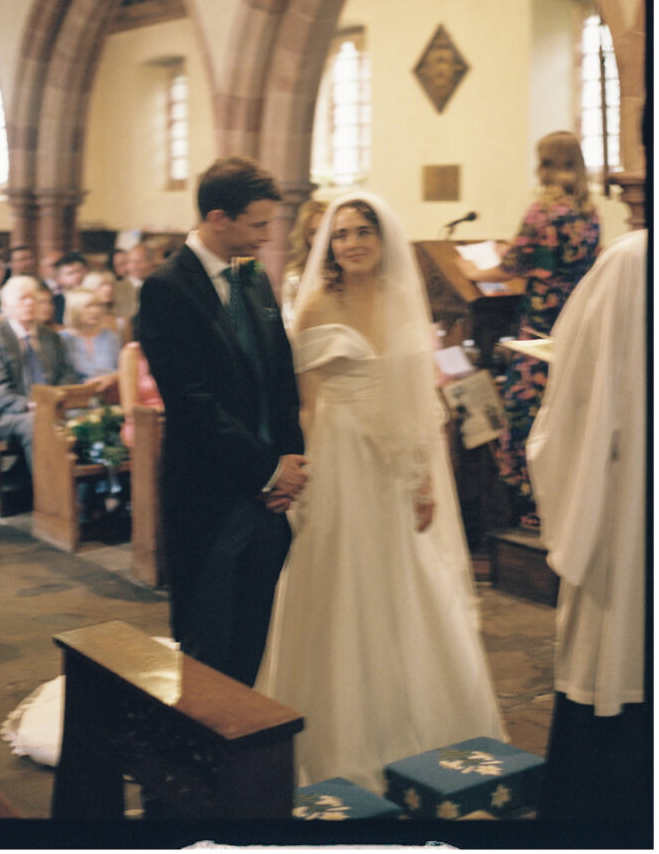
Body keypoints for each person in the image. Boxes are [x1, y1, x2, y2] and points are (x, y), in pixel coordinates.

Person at [255, 192, 505, 794]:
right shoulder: (318, 301)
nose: (353, 242)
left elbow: (418, 400)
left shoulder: (400, 300)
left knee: (400, 580)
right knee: (339, 582)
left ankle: (412, 727)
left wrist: (423, 478)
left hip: (392, 463)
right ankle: (339, 738)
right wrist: (304, 477)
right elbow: (307, 402)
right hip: (338, 457)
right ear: (329, 245)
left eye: (363, 231)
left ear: (381, 238)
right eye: (341, 235)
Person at [138, 156, 307, 686]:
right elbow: (193, 404)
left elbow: (279, 377)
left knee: (254, 636)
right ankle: (198, 763)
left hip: (267, 496)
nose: (266, 236)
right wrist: (268, 470)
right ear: (218, 218)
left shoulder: (253, 277)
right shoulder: (167, 289)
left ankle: (242, 763)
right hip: (208, 495)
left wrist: (290, 466)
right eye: (258, 224)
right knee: (207, 645)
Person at [526, 229, 649, 823]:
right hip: (628, 504)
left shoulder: (629, 260)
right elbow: (584, 394)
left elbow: (570, 401)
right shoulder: (628, 264)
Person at [457, 131, 600, 529]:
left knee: (527, 411)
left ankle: (531, 503)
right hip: (576, 319)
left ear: (546, 164)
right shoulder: (590, 212)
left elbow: (512, 267)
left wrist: (474, 270)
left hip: (539, 325)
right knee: (568, 408)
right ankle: (567, 499)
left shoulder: (543, 212)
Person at [0, 275, 76, 472]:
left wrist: (52, 400)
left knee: (91, 421)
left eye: (32, 298)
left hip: (53, 406)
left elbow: (67, 373)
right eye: (22, 298)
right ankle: (48, 495)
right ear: (6, 305)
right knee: (38, 424)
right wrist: (31, 405)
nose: (29, 303)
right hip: (11, 413)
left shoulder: (50, 336)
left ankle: (83, 495)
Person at [60, 287, 120, 393]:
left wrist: (112, 377)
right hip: (76, 397)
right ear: (74, 309)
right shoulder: (62, 340)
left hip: (110, 395)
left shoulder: (110, 337)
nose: (95, 311)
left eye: (97, 305)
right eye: (88, 306)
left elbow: (125, 370)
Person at [281, 197, 326, 331]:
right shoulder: (295, 279)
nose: (320, 238)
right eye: (313, 232)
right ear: (305, 238)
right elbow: (290, 327)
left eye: (324, 230)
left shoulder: (348, 271)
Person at [82, 269, 129, 341]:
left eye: (111, 284)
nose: (108, 289)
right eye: (101, 285)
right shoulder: (79, 319)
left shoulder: (121, 320)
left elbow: (128, 348)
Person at [112, 243, 154, 320]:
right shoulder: (116, 288)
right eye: (130, 262)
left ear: (151, 262)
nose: (134, 266)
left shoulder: (160, 286)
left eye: (139, 262)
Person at [53, 251, 88, 324]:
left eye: (79, 271)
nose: (77, 276)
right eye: (70, 273)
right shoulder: (55, 302)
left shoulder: (97, 297)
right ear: (59, 279)